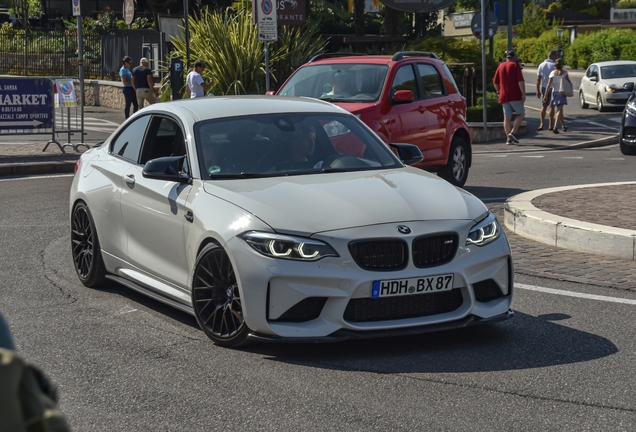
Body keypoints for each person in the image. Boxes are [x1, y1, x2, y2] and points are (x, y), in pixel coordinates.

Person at [493, 50, 526, 145]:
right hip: (515, 95)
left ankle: (508, 139)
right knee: (521, 113)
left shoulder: (500, 66)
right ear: (514, 57)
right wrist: (523, 93)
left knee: (507, 117)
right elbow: (520, 81)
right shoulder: (515, 66)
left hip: (503, 95)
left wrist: (499, 91)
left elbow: (495, 82)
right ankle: (513, 132)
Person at [544, 58, 572, 134]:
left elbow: (548, 85)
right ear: (562, 65)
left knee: (560, 111)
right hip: (561, 92)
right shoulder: (565, 73)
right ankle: (555, 127)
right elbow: (569, 82)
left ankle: (563, 126)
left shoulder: (552, 73)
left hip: (554, 92)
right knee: (559, 110)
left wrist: (545, 95)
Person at [536, 50, 557, 131]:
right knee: (552, 106)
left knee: (544, 105)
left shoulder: (541, 65)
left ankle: (541, 124)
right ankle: (550, 125)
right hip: (553, 87)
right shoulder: (554, 65)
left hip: (544, 87)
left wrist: (537, 90)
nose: (557, 58)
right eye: (556, 56)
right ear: (553, 56)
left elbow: (538, 79)